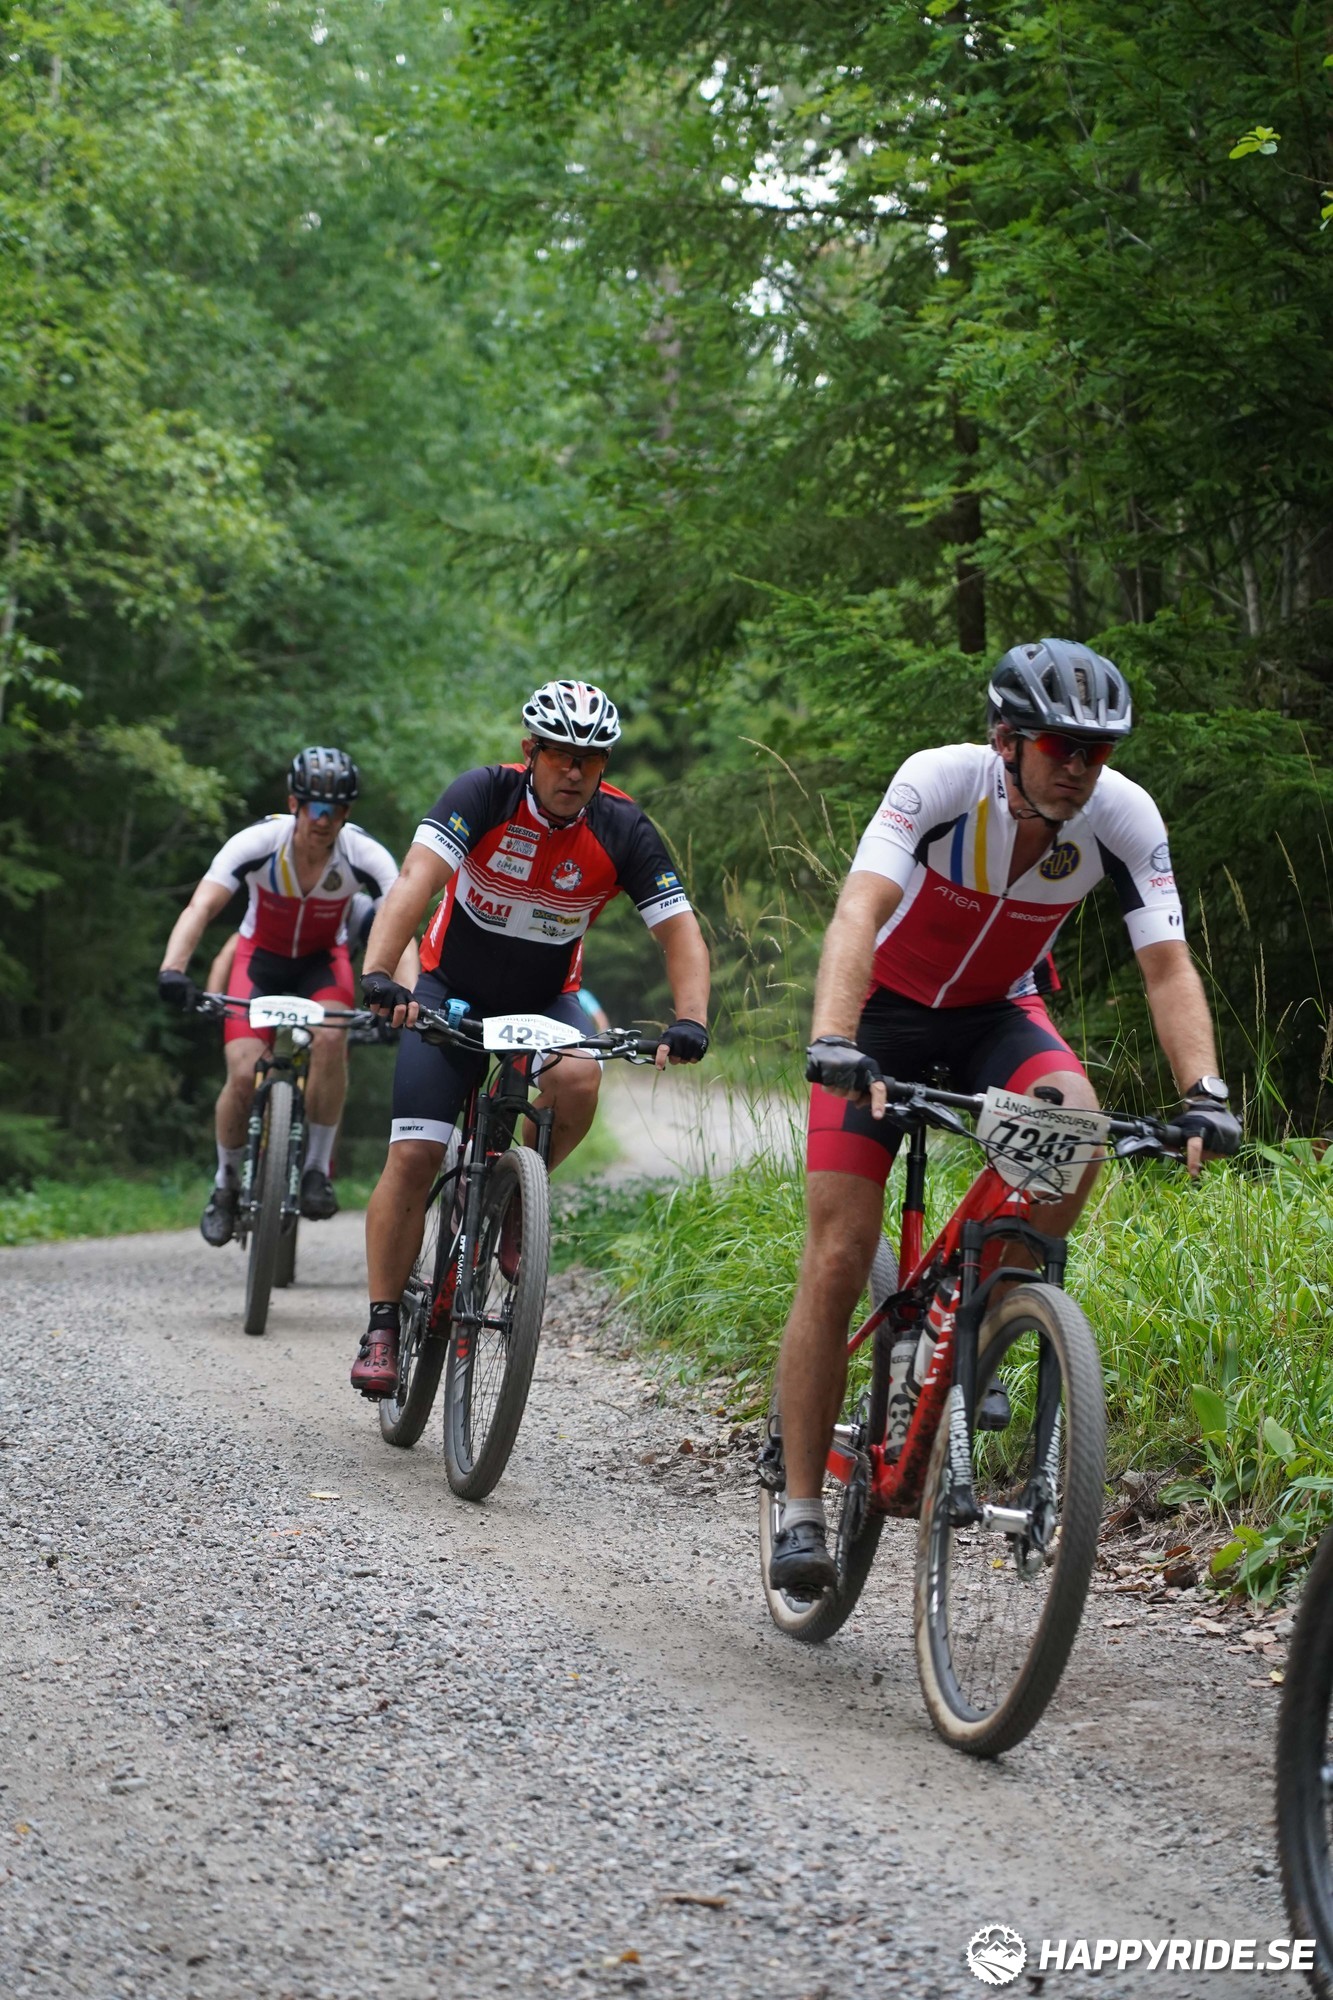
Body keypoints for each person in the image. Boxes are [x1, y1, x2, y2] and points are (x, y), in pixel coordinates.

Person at [771, 639, 1242, 1596]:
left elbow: (1165, 965)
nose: (1079, 767)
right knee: (839, 1250)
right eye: (1060, 746)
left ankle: (972, 1328)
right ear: (1006, 740)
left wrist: (1204, 1093)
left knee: (1077, 1130)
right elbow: (858, 911)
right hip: (882, 1016)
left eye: (1096, 751)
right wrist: (833, 1037)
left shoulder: (1122, 815)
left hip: (995, 1012)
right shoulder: (938, 782)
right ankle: (802, 1507)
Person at [350, 679, 711, 1398]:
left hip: (548, 999)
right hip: (448, 988)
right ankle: (383, 1325)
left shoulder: (623, 828)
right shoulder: (482, 794)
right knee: (415, 1154)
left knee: (578, 1078)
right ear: (530, 752)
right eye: (558, 755)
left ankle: (516, 1197)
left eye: (590, 759)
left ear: (604, 765)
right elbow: (416, 880)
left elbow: (680, 933)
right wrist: (380, 974)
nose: (573, 772)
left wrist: (691, 1019)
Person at [157, 748, 414, 1246]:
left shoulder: (364, 853)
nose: (324, 820)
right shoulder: (257, 842)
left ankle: (315, 1168)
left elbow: (401, 928)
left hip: (323, 964)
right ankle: (225, 1184)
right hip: (259, 962)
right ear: (294, 804)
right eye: (315, 807)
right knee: (241, 1075)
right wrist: (173, 970)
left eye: (335, 810)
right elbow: (200, 906)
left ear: (347, 813)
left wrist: (409, 998)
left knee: (331, 1040)